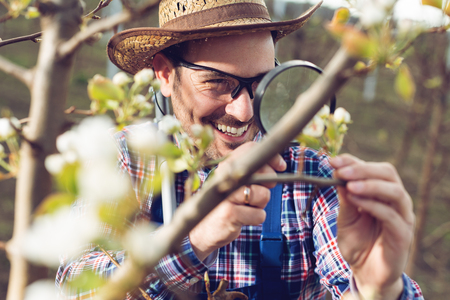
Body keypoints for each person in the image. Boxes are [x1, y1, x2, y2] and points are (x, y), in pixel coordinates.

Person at [56, 0, 424, 299]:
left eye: (261, 83)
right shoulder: (124, 156)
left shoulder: (311, 177)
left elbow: (355, 276)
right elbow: (75, 286)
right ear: (165, 75)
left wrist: (381, 289)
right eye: (217, 83)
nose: (244, 110)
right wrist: (195, 237)